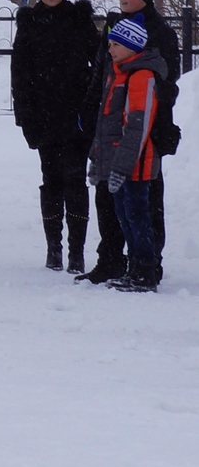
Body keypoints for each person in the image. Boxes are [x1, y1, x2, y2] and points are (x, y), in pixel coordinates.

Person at [78, 0, 182, 286]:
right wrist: (91, 104)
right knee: (107, 195)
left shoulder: (161, 31)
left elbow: (168, 81)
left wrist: (145, 103)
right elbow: (102, 68)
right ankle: (110, 258)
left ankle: (148, 262)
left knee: (144, 198)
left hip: (145, 127)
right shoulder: (114, 23)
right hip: (109, 124)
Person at [11, 0, 100, 272]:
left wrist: (90, 105)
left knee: (75, 181)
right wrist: (25, 116)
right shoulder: (30, 23)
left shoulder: (78, 20)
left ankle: (77, 251)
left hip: (75, 117)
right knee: (51, 182)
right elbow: (19, 74)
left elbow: (100, 61)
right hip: (44, 117)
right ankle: (54, 249)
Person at [87, 15, 166, 292]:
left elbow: (137, 126)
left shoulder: (141, 76)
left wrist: (122, 165)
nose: (109, 50)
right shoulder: (118, 72)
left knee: (137, 216)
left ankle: (144, 271)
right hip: (118, 163)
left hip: (135, 165)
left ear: (131, 47)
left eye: (115, 45)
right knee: (124, 216)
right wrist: (100, 160)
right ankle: (134, 268)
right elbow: (106, 123)